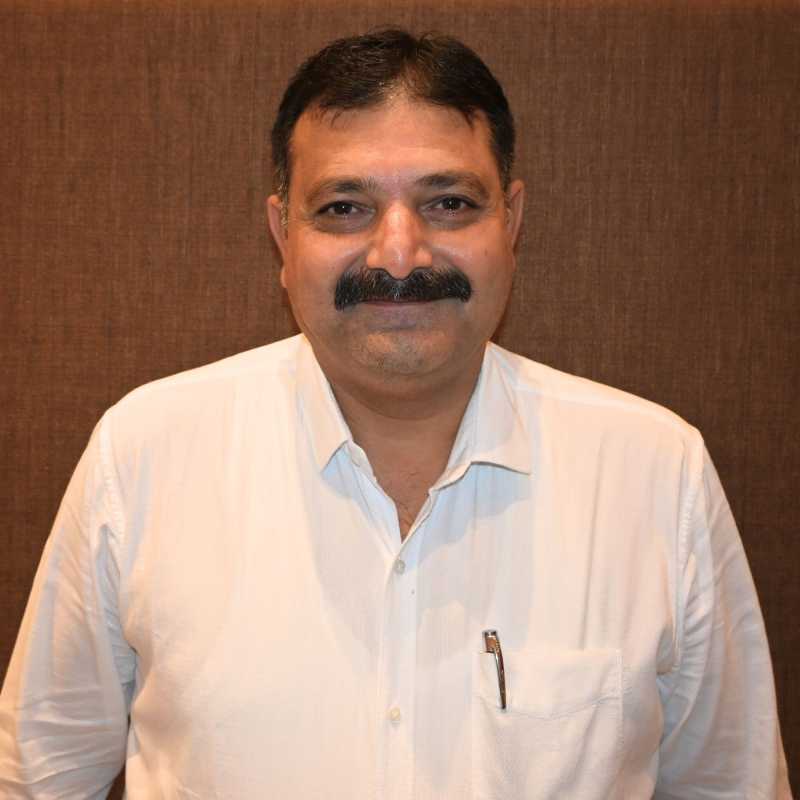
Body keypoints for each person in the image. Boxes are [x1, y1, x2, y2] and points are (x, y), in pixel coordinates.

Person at [0, 28, 792, 800]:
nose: (400, 254)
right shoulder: (144, 456)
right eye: (345, 207)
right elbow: (36, 778)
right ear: (282, 235)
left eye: (449, 203)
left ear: (512, 222)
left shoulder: (654, 473)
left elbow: (730, 784)